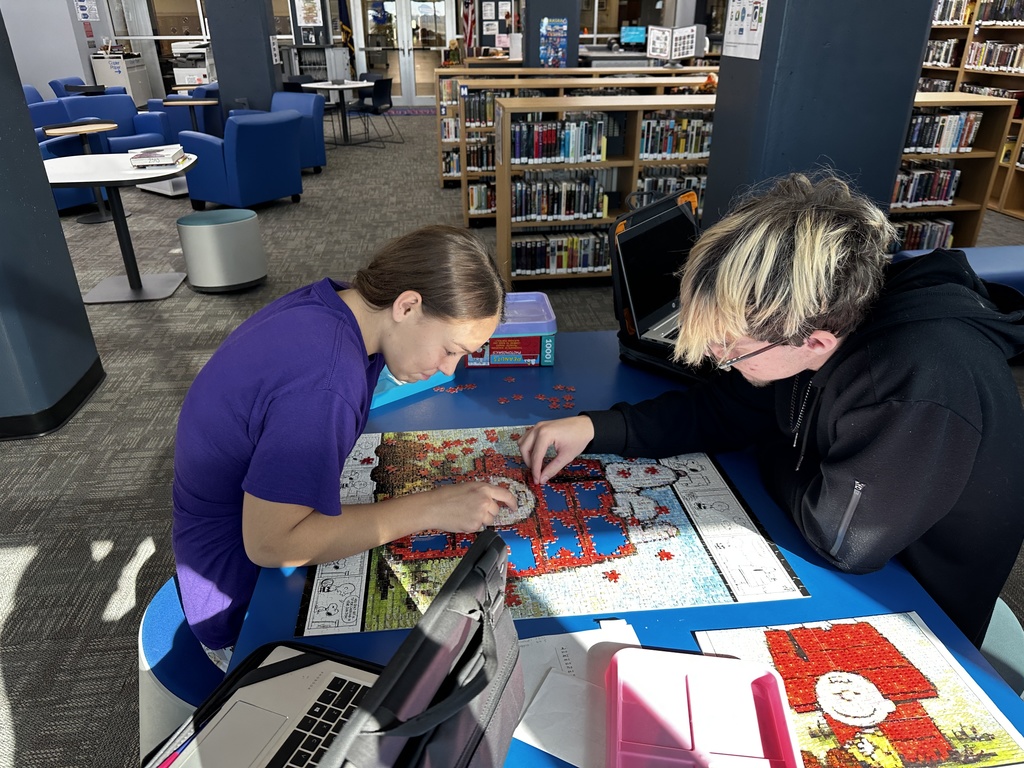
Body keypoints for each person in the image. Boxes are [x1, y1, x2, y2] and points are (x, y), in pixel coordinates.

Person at [519, 172, 1024, 647]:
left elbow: (842, 542)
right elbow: (728, 409)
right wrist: (594, 428)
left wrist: (768, 441)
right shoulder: (820, 310)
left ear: (815, 342)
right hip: (851, 542)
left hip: (919, 607)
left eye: (729, 349)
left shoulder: (913, 384)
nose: (713, 357)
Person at [173, 225, 516, 665]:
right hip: (240, 607)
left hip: (221, 543)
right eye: (450, 350)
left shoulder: (336, 303)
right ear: (407, 305)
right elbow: (271, 545)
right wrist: (434, 508)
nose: (449, 371)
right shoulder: (327, 385)